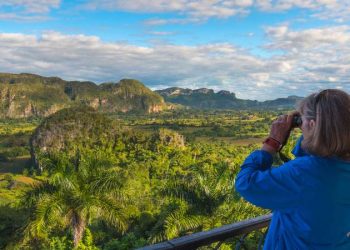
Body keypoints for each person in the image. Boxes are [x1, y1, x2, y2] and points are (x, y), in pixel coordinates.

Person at [235, 89, 350, 249]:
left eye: (302, 121)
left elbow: (246, 184)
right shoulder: (339, 168)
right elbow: (315, 162)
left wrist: (272, 142)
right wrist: (314, 131)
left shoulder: (303, 174)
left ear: (312, 124)